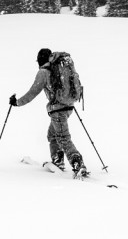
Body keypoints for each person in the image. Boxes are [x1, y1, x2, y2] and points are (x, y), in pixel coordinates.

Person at [10, 48, 88, 178]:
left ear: (40, 60)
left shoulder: (44, 72)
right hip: (68, 107)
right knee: (52, 134)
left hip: (58, 110)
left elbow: (32, 93)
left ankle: (77, 163)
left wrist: (17, 102)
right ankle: (58, 161)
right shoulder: (59, 67)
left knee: (63, 137)